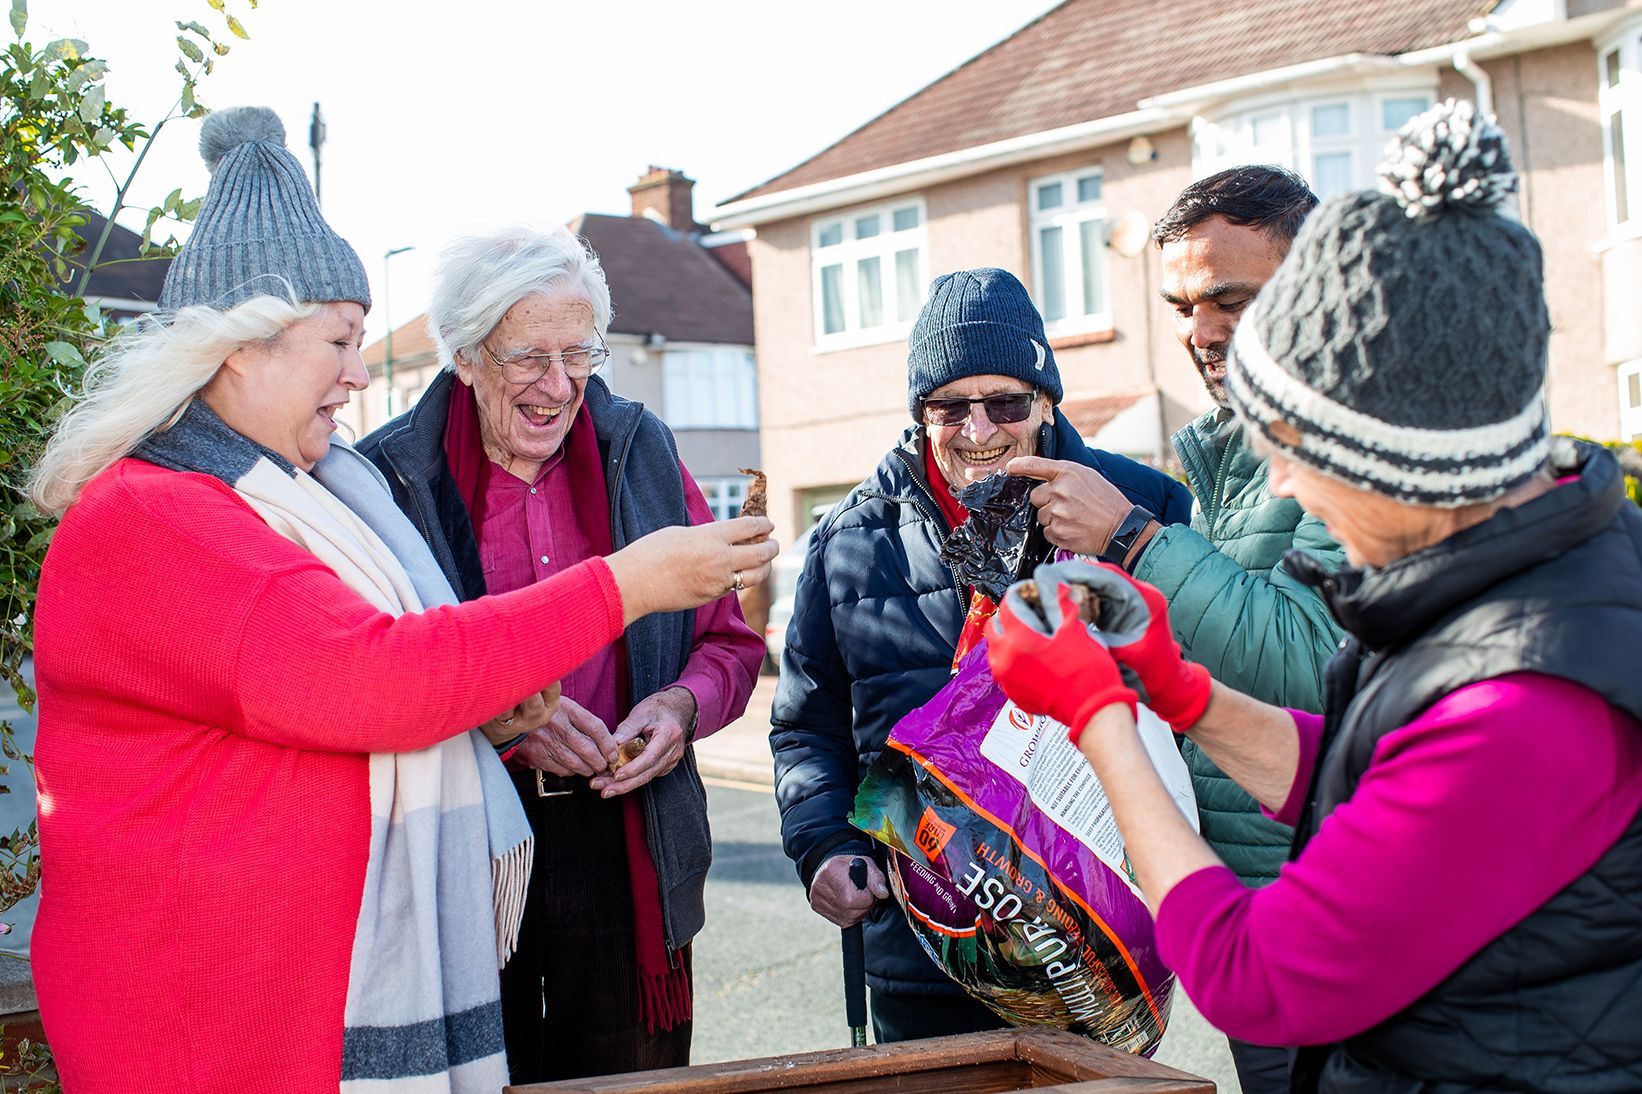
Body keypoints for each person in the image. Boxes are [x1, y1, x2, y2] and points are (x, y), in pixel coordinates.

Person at [25, 108, 775, 1094]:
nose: (356, 372)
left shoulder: (263, 494)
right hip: (202, 1024)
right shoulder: (160, 520)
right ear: (242, 345)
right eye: (338, 340)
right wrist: (626, 583)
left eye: (361, 340)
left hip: (256, 1003)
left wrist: (511, 700)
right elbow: (370, 673)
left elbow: (328, 681)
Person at [987, 101, 1642, 1091]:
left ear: (1397, 459)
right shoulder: (1511, 592)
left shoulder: (1522, 699)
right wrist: (1177, 690)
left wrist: (1099, 716)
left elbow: (1259, 976)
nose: (1284, 487)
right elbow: (1365, 766)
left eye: (1298, 456)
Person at [359, 224, 764, 1083]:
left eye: (580, 353)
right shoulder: (390, 478)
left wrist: (680, 707)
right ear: (465, 357)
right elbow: (371, 681)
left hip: (625, 840)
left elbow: (727, 640)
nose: (559, 385)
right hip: (464, 845)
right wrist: (508, 729)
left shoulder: (640, 448)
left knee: (631, 1077)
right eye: (528, 358)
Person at [771, 267, 1193, 1043]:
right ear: (920, 412)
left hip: (1091, 947)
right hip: (920, 946)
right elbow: (808, 726)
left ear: (1045, 403)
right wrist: (824, 844)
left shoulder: (1143, 510)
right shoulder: (849, 539)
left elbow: (1196, 706)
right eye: (949, 407)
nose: (979, 430)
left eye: (1006, 402)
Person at [1012, 165, 1341, 1091]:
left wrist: (1131, 538)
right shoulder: (1233, 451)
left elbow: (1310, 663)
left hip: (1326, 904)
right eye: (1184, 304)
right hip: (1259, 904)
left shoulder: (1346, 442)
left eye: (1229, 299)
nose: (1201, 331)